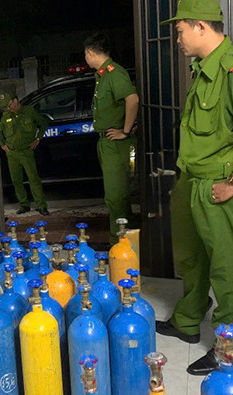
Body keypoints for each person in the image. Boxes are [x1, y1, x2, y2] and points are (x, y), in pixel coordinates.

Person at [154, 0, 233, 375]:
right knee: (192, 258)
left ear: (200, 27)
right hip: (192, 181)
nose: (177, 39)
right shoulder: (203, 69)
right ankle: (188, 320)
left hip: (219, 185)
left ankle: (229, 349)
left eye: (180, 30)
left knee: (225, 269)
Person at [84, 33, 139, 245]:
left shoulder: (114, 73)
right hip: (106, 143)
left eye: (85, 54)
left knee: (115, 195)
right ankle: (125, 237)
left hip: (116, 143)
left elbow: (132, 99)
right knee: (117, 194)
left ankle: (119, 241)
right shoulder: (102, 75)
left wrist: (125, 131)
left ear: (90, 52)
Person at [0, 91, 50, 216]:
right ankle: (24, 204)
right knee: (16, 180)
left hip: (26, 151)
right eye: (6, 107)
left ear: (16, 100)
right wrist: (3, 145)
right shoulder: (6, 116)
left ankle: (41, 205)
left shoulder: (29, 112)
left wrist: (38, 138)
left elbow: (43, 123)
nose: (8, 108)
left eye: (9, 105)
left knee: (33, 179)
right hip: (12, 153)